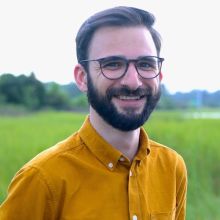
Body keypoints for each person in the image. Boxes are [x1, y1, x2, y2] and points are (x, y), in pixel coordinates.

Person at [0, 6, 187, 220]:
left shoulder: (172, 167)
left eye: (145, 64)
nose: (133, 82)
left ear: (159, 75)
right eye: (113, 64)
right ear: (82, 77)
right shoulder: (42, 180)